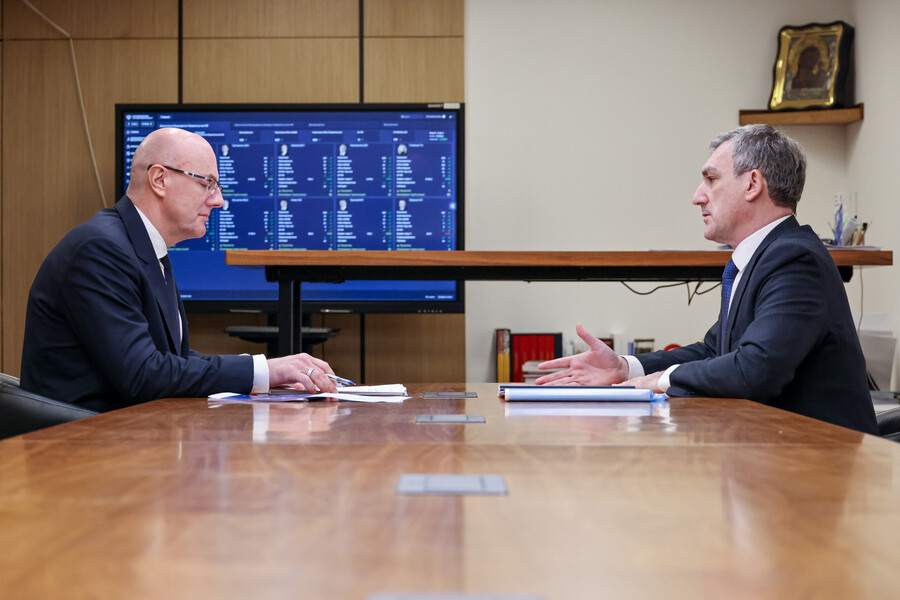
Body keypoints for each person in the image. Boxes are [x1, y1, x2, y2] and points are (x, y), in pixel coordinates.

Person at [537, 124, 878, 434]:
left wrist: (663, 379)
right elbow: (715, 350)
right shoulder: (763, 256)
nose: (697, 196)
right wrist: (626, 368)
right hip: (775, 451)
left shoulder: (794, 258)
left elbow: (755, 369)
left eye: (711, 179)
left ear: (752, 184)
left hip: (820, 461)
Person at [20, 128, 338, 412]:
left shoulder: (142, 247)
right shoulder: (100, 250)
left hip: (128, 433)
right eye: (207, 183)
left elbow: (172, 361)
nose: (219, 200)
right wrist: (264, 372)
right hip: (80, 444)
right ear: (160, 180)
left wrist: (266, 373)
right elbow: (143, 374)